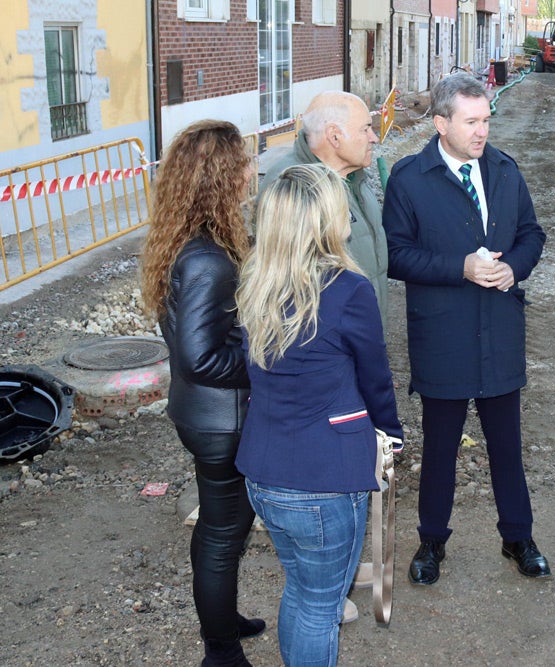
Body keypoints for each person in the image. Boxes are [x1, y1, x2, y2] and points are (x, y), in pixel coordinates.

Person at [381, 72, 549, 586]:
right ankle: (431, 541)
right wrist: (462, 267)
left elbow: (531, 233)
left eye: (486, 120)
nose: (482, 131)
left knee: (506, 445)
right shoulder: (409, 179)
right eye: (472, 122)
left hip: (498, 332)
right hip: (443, 337)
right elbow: (398, 256)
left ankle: (517, 537)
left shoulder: (503, 170)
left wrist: (513, 268)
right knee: (439, 449)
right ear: (441, 122)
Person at [235, 163, 403, 666]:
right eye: (342, 210)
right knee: (319, 607)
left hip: (262, 473)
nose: (350, 218)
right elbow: (376, 378)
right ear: (323, 221)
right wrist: (390, 436)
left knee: (302, 591)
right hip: (323, 478)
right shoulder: (347, 289)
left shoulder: (255, 283)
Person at [140, 120, 263, 667]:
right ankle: (220, 648)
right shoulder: (209, 259)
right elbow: (201, 357)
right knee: (223, 533)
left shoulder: (192, 243)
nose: (251, 171)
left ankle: (223, 620)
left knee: (224, 529)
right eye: (244, 163)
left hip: (204, 414)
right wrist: (267, 365)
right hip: (221, 420)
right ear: (222, 176)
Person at [259, 91, 389, 325]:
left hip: (364, 335)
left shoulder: (356, 178)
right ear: (334, 136)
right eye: (366, 128)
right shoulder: (291, 186)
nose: (374, 137)